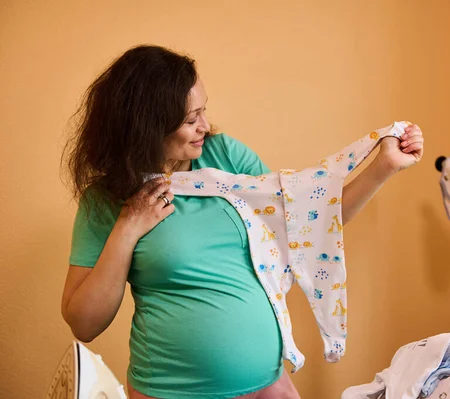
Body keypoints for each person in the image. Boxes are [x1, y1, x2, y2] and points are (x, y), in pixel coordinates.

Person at [60, 45, 424, 399]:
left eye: (203, 111)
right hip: (172, 392)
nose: (204, 125)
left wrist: (384, 167)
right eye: (190, 119)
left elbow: (310, 223)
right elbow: (85, 324)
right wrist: (128, 226)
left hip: (268, 384)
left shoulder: (225, 158)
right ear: (146, 127)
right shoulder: (107, 199)